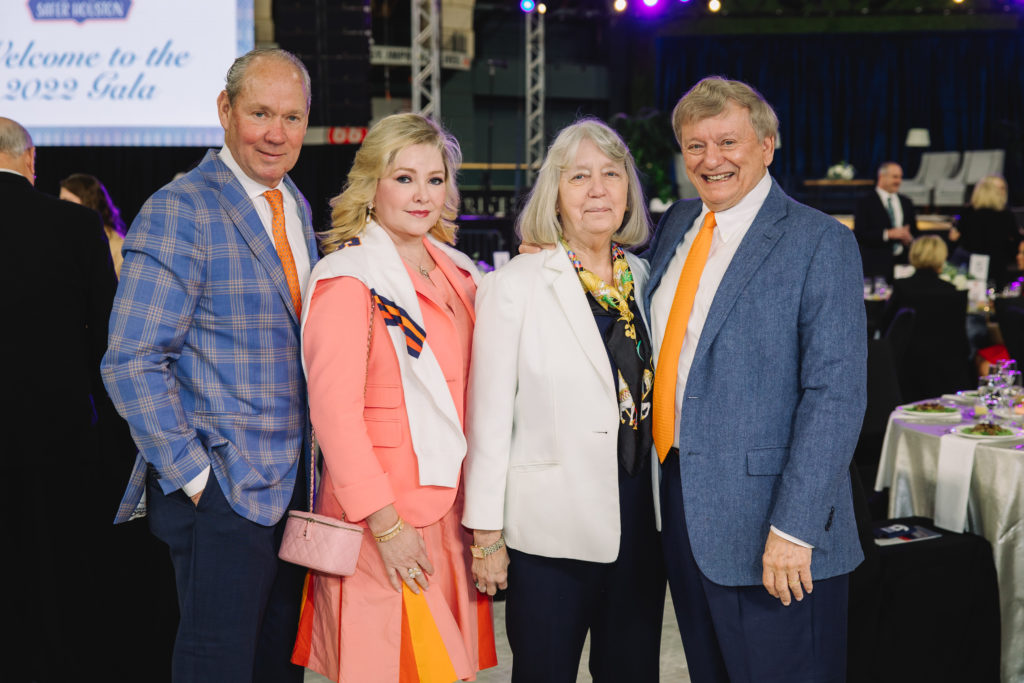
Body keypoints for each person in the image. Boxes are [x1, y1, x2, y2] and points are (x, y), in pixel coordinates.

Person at [101, 48, 317, 683]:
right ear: (225, 110)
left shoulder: (294, 203)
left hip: (294, 491)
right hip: (220, 492)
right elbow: (132, 360)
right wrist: (196, 478)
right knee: (215, 668)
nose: (276, 133)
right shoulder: (181, 208)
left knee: (277, 668)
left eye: (292, 117)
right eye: (260, 113)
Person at [645, 77, 866, 682]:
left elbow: (836, 396)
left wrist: (795, 527)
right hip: (681, 506)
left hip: (776, 525)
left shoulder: (821, 242)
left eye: (727, 142)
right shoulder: (677, 222)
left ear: (767, 145)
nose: (710, 159)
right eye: (695, 146)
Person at [292, 113, 497, 683]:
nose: (422, 195)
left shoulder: (461, 274)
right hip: (382, 518)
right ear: (371, 185)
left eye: (435, 179)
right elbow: (334, 417)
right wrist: (386, 526)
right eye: (404, 178)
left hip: (452, 512)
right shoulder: (347, 278)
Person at [464, 119, 665, 682]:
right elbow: (488, 420)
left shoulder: (646, 277)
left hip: (640, 525)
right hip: (550, 535)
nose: (598, 189)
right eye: (579, 177)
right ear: (554, 194)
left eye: (611, 174)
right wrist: (486, 536)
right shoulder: (516, 284)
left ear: (629, 190)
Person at [0, 117, 117, 682]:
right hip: (58, 433)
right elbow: (108, 338)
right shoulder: (76, 225)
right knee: (57, 567)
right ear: (31, 160)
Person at [880, 235, 972, 401]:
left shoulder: (902, 287)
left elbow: (887, 327)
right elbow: (961, 341)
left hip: (907, 370)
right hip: (946, 373)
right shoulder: (953, 292)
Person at [948, 175, 1021, 288]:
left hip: (973, 266)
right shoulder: (1005, 214)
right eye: (999, 188)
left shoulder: (967, 212)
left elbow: (954, 239)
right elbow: (1015, 240)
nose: (1002, 192)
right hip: (993, 266)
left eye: (1004, 188)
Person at [854, 161, 918, 281]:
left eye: (900, 177)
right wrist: (888, 234)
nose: (898, 181)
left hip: (903, 265)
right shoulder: (865, 202)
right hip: (876, 264)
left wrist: (909, 238)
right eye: (895, 177)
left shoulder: (906, 202)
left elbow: (915, 231)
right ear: (882, 177)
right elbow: (860, 234)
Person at [60, 172, 128, 278]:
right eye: (60, 202)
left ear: (88, 203)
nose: (61, 208)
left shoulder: (117, 248)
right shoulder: (65, 239)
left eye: (67, 202)